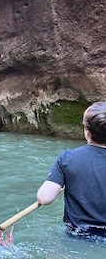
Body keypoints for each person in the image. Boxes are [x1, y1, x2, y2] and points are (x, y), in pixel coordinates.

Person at [37, 102, 106, 239]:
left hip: (78, 234)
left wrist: (62, 177)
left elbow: (44, 199)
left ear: (87, 131)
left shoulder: (67, 158)